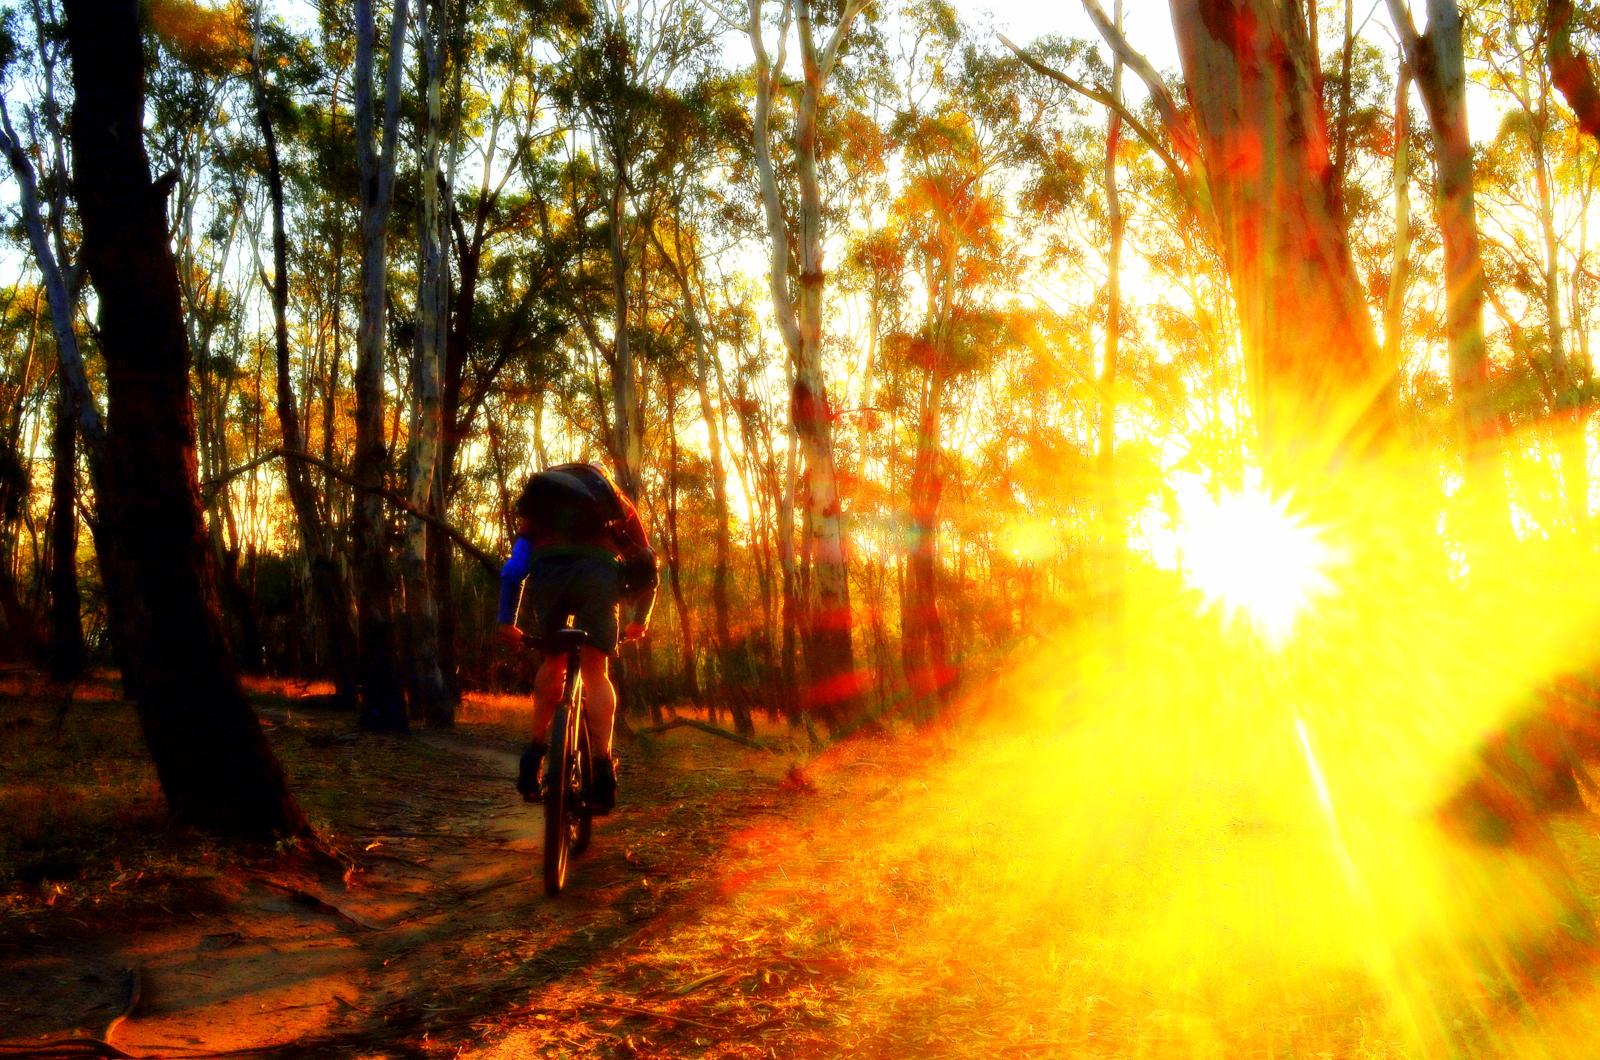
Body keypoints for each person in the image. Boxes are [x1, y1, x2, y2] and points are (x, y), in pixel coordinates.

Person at [498, 462, 656, 812]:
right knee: (595, 670)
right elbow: (646, 564)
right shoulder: (615, 502)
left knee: (553, 659)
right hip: (599, 574)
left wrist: (506, 619)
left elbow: (513, 569)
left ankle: (535, 752)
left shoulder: (542, 506)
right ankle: (602, 767)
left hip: (549, 572)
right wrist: (639, 620)